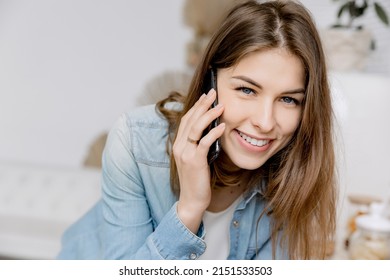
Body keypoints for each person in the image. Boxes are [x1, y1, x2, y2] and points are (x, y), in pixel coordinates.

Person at [58, 0, 337, 260]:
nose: (265, 122)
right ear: (209, 82)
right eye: (247, 90)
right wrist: (189, 209)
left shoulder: (295, 173)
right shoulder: (136, 142)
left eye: (288, 100)